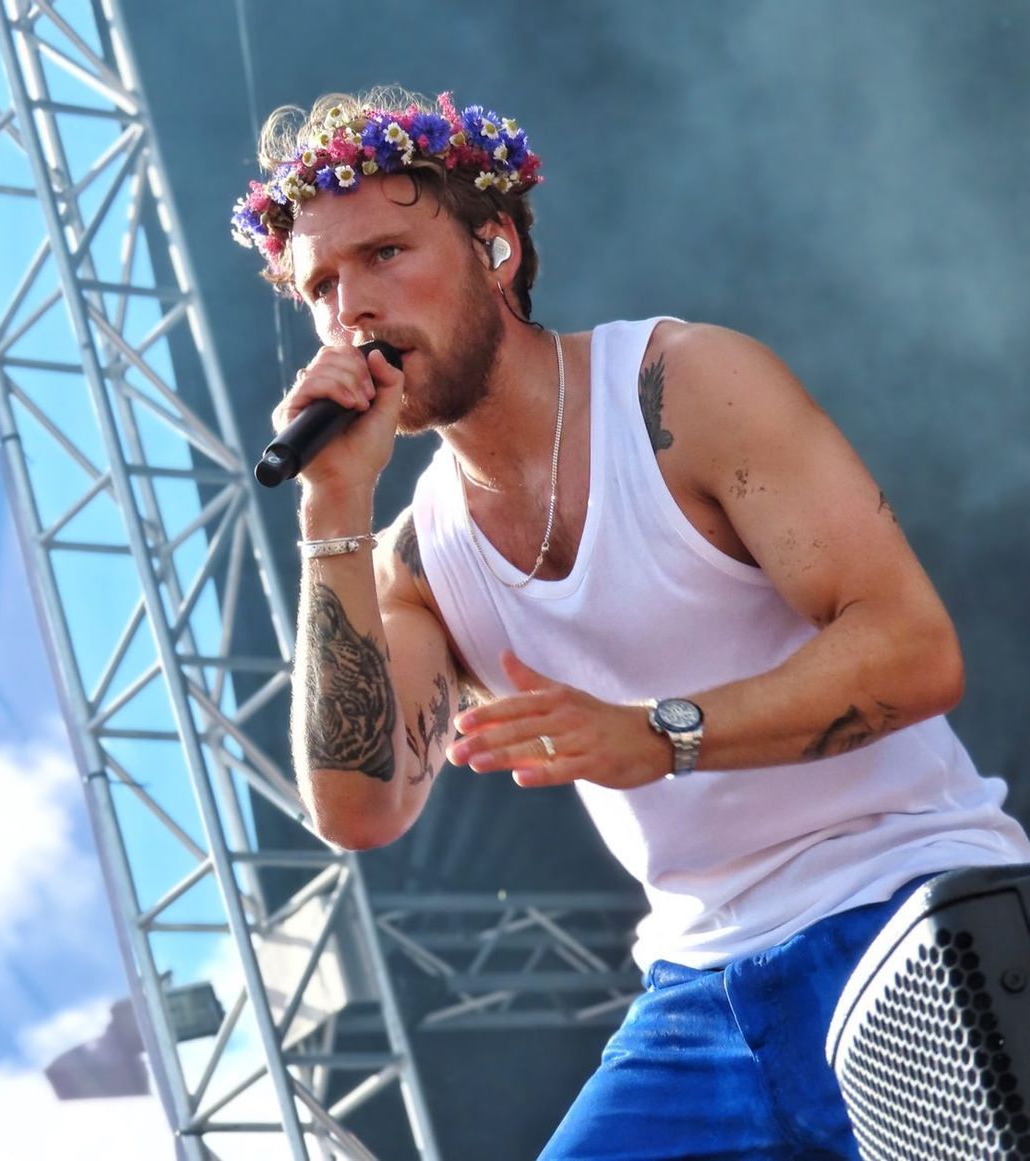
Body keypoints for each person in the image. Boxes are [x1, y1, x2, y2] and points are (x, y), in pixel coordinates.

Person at [232, 88, 1030, 1159]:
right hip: (698, 997)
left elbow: (914, 650)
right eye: (322, 286)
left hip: (902, 903)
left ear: (497, 247)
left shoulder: (683, 386)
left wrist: (661, 733)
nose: (353, 310)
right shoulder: (416, 559)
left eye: (384, 254)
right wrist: (332, 508)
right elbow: (358, 808)